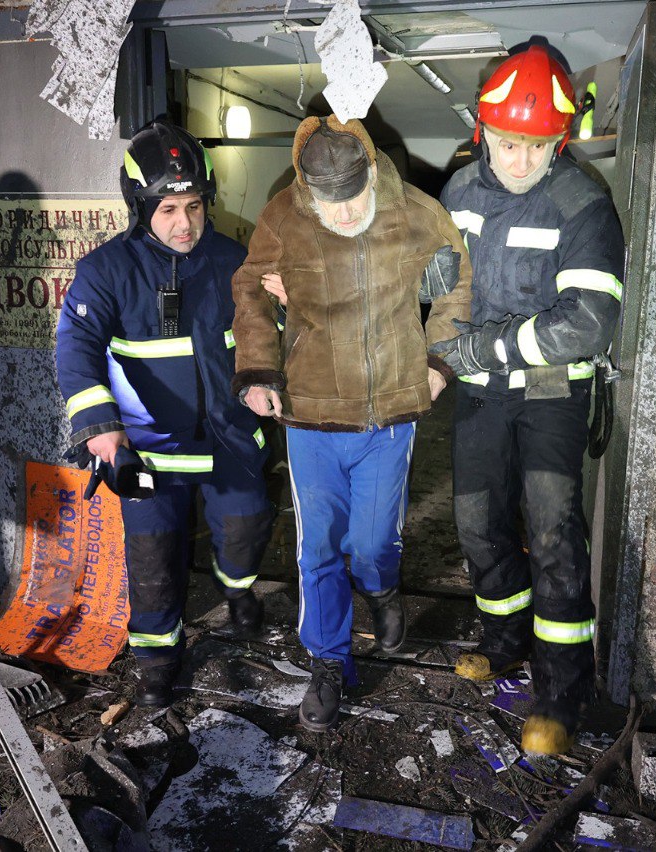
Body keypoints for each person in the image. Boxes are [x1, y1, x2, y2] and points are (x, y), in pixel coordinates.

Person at [232, 115, 472, 732]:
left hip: (388, 416)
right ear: (307, 188)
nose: (341, 215)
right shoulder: (284, 216)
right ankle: (328, 661)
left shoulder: (417, 213)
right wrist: (257, 370)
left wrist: (439, 361)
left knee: (372, 544)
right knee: (318, 549)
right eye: (327, 202)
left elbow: (458, 282)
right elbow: (251, 288)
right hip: (310, 415)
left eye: (353, 199)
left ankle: (383, 590)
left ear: (371, 174)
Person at [430, 46, 625, 755]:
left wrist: (484, 350)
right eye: (509, 142)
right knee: (477, 524)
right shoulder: (457, 190)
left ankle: (563, 691)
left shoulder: (582, 202)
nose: (521, 159)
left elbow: (590, 322)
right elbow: (438, 284)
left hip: (551, 392)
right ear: (483, 131)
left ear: (559, 141)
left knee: (552, 533)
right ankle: (504, 640)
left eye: (537, 145)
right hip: (480, 395)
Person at [56, 119, 274, 708]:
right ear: (140, 208)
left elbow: (266, 336)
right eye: (169, 209)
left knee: (246, 531)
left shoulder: (235, 262)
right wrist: (102, 432)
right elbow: (75, 351)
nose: (185, 223)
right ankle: (156, 660)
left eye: (195, 207)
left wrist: (266, 372)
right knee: (153, 558)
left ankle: (238, 592)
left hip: (229, 440)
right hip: (149, 450)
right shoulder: (104, 271)